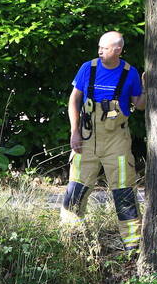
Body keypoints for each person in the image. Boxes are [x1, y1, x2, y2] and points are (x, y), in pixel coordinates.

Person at [62, 31, 146, 251]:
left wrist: (148, 89)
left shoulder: (131, 73)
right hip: (86, 139)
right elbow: (74, 100)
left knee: (124, 192)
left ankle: (132, 246)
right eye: (99, 47)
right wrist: (74, 132)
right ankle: (73, 239)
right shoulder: (87, 68)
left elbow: (140, 105)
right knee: (76, 190)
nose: (99, 51)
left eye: (104, 48)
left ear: (117, 50)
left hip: (117, 141)